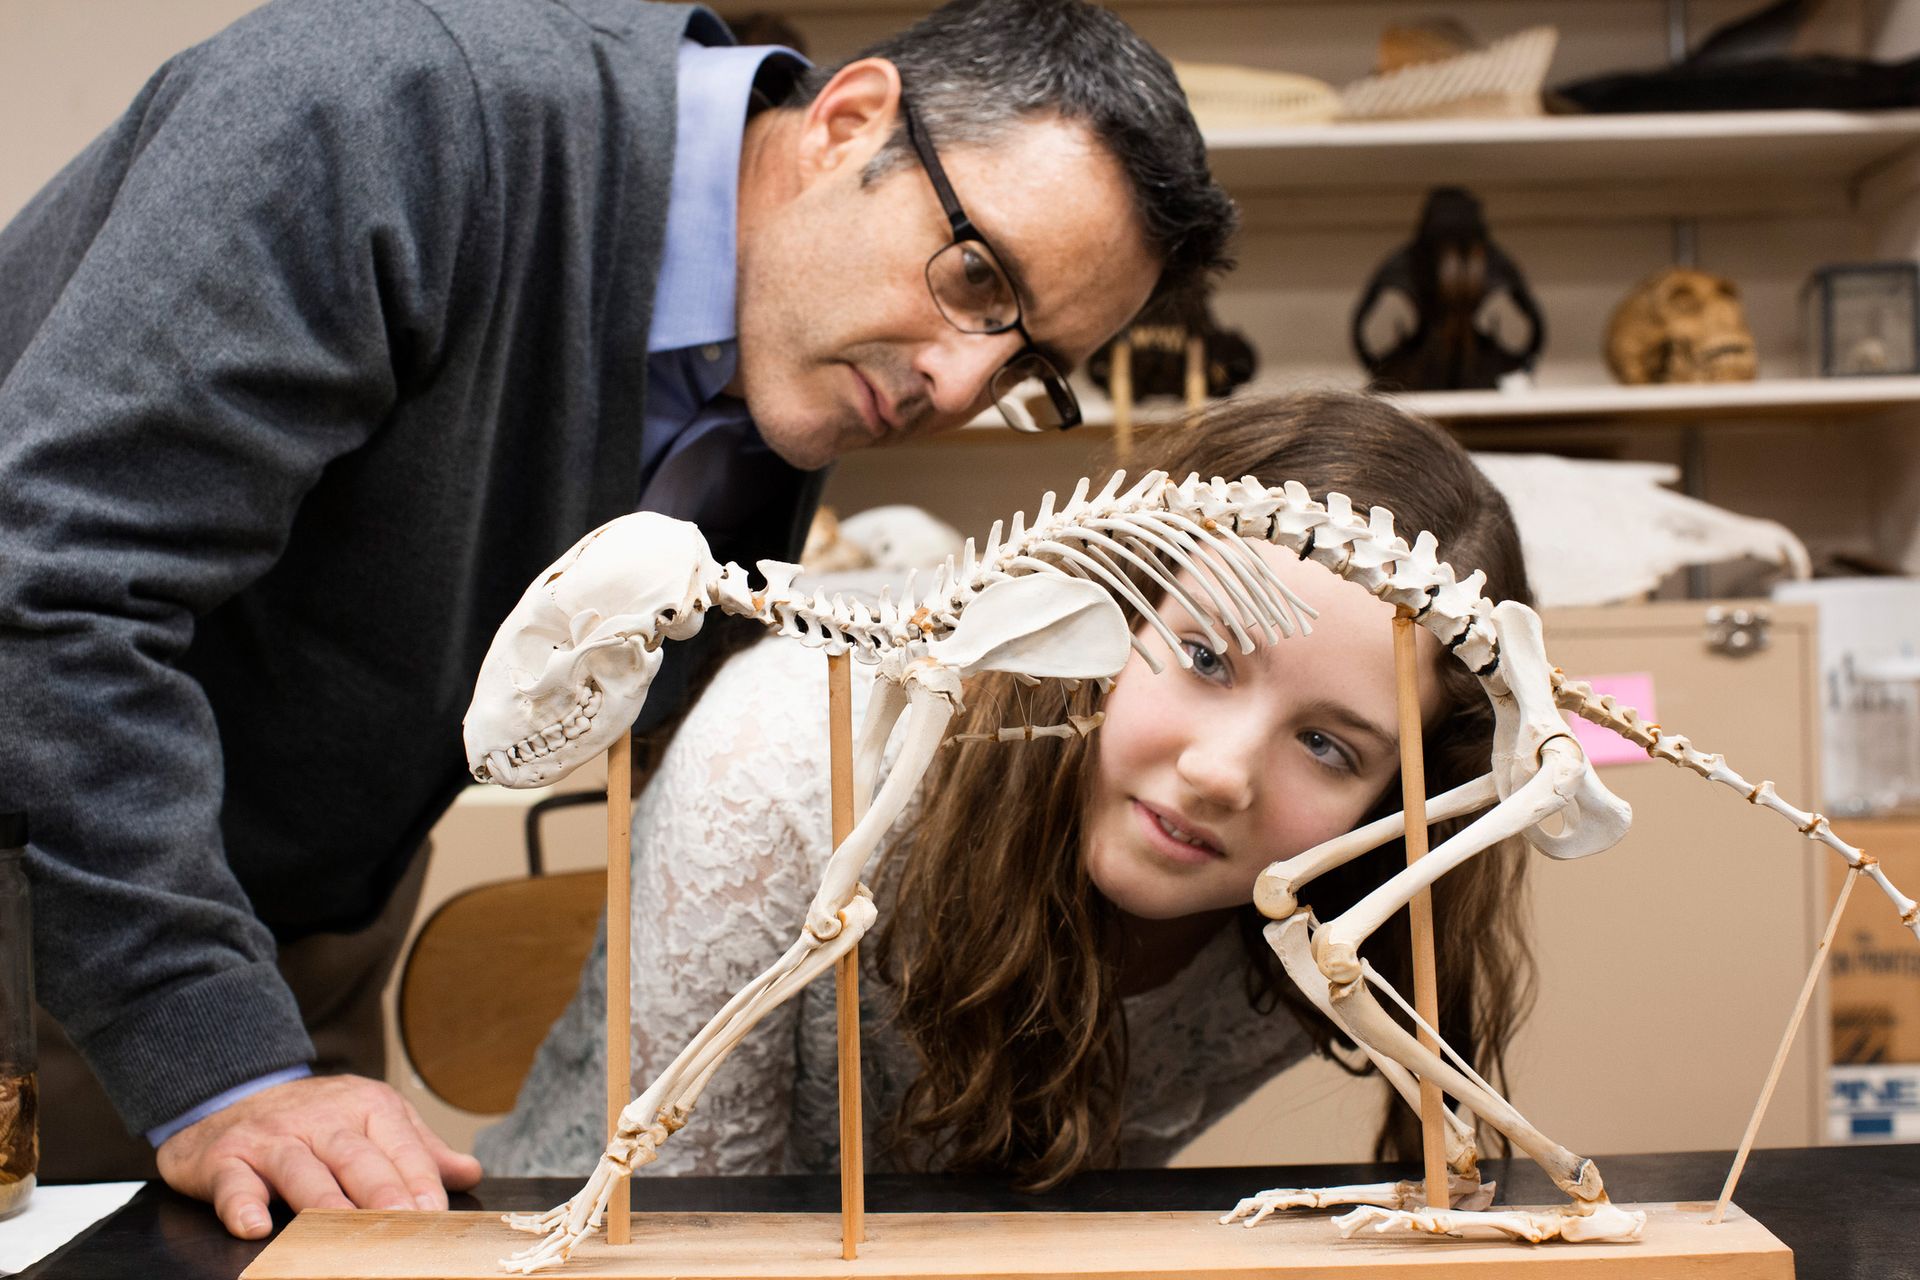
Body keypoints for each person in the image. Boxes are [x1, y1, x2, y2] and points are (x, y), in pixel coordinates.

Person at [0, 0, 1233, 1237]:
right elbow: (44, 582)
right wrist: (224, 1060)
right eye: (977, 277)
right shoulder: (389, 109)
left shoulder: (782, 352)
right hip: (63, 892)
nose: (960, 387)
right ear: (850, 121)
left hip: (274, 931)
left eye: (1029, 367)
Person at [479, 389, 1535, 1187]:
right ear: (1113, 604)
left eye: (1329, 745)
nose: (1219, 773)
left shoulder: (1330, 918)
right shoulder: (777, 765)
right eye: (1206, 657)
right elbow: (681, 1222)